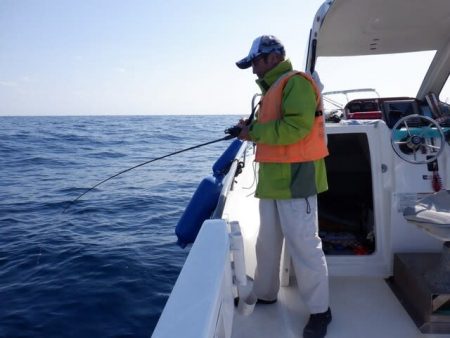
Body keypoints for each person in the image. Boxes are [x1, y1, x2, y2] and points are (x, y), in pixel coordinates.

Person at [234, 35, 332, 338]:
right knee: (267, 243)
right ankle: (265, 293)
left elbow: (296, 128)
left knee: (305, 246)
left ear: (273, 57)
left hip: (297, 180)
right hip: (274, 182)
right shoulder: (274, 88)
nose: (253, 71)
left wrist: (253, 133)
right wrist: (250, 130)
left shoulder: (296, 83)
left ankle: (321, 311)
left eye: (256, 63)